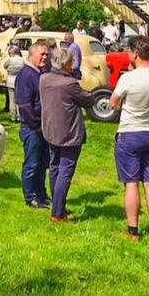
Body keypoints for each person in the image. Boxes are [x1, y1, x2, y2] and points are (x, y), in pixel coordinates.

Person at [109, 36, 149, 240]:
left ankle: (133, 230)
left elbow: (113, 103)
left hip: (130, 132)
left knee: (131, 183)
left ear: (134, 53)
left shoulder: (128, 78)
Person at [40, 47, 95, 223]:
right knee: (65, 171)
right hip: (69, 133)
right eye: (71, 62)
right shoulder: (69, 84)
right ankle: (57, 212)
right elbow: (89, 100)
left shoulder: (44, 79)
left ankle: (58, 206)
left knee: (54, 167)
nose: (73, 65)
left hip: (50, 130)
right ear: (64, 64)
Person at [16, 41, 50, 209]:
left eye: (46, 54)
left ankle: (41, 194)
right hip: (32, 129)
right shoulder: (26, 74)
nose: (45, 57)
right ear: (31, 55)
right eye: (42, 54)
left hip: (42, 128)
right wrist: (36, 125)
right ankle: (30, 197)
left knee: (43, 164)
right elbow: (24, 106)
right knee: (32, 163)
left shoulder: (39, 73)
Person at [4, 46, 25, 122]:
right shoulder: (22, 60)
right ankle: (20, 116)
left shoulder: (10, 60)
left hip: (10, 80)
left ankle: (13, 117)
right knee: (19, 100)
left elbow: (4, 66)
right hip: (19, 80)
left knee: (12, 100)